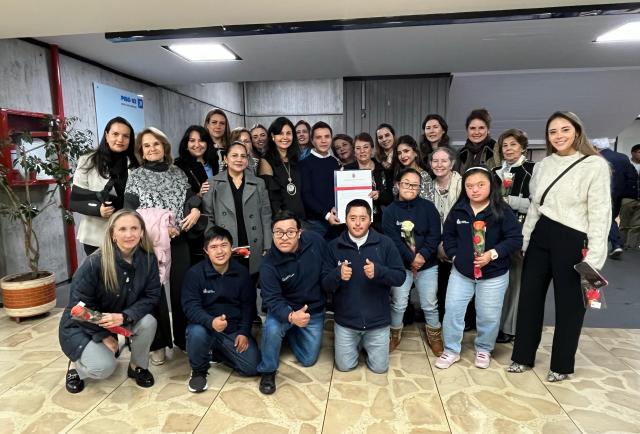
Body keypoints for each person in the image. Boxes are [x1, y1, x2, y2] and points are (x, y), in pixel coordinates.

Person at [509, 111, 611, 382]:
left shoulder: (594, 165)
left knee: (570, 304)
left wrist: (595, 258)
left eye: (565, 129)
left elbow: (600, 213)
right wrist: (525, 240)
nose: (559, 136)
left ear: (577, 131)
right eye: (553, 131)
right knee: (529, 299)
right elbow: (535, 206)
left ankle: (562, 364)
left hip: (573, 238)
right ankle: (522, 356)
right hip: (541, 235)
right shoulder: (543, 165)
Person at [59, 209, 160, 393]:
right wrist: (102, 335)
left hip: (118, 317)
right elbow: (78, 308)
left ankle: (137, 366)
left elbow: (151, 296)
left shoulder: (148, 259)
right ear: (113, 234)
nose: (129, 234)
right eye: (122, 229)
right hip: (83, 323)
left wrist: (125, 317)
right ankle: (76, 369)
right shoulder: (94, 263)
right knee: (103, 367)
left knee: (148, 322)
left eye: (134, 228)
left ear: (141, 232)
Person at [125, 127, 202, 362]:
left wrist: (195, 208)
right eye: (147, 145)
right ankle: (157, 343)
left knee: (182, 289)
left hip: (179, 239)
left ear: (164, 147)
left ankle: (183, 337)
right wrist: (160, 228)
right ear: (141, 150)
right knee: (153, 292)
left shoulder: (177, 172)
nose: (152, 149)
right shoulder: (135, 175)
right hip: (149, 244)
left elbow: (190, 198)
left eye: (156, 144)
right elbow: (131, 213)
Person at [435, 167, 522, 370]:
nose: (474, 190)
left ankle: (484, 348)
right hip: (462, 273)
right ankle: (451, 350)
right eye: (469, 186)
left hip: (494, 274)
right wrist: (455, 256)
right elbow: (448, 236)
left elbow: (515, 239)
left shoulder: (502, 210)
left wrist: (493, 254)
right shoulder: (459, 210)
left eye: (480, 185)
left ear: (491, 185)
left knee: (488, 315)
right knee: (453, 311)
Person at [324, 200, 405, 373]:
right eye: (353, 218)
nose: (358, 223)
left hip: (377, 322)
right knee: (344, 367)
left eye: (363, 218)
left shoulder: (385, 243)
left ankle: (364, 344)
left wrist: (380, 272)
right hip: (346, 323)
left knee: (380, 369)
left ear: (370, 220)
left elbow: (400, 277)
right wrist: (337, 274)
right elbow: (324, 284)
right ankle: (358, 344)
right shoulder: (333, 246)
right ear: (345, 219)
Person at [257, 211, 333, 394]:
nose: (284, 237)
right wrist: (291, 316)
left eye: (290, 232)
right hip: (285, 308)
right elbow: (272, 299)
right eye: (279, 232)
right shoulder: (268, 264)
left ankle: (290, 334)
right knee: (272, 328)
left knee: (308, 359)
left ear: (299, 233)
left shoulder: (315, 241)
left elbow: (328, 266)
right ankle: (268, 370)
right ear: (272, 234)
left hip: (312, 309)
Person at [182, 226, 260, 393]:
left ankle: (216, 351)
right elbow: (190, 307)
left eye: (224, 245)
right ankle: (198, 371)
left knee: (252, 367)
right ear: (206, 251)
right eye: (214, 247)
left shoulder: (242, 273)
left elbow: (248, 306)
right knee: (196, 332)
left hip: (232, 330)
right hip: (204, 327)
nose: (219, 251)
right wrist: (211, 322)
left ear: (231, 247)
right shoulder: (194, 274)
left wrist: (243, 332)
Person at [383, 169, 442, 355]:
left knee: (430, 303)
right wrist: (411, 259)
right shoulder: (390, 212)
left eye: (415, 185)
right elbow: (392, 241)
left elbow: (435, 235)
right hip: (401, 266)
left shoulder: (428, 208)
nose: (410, 187)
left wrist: (423, 255)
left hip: (427, 264)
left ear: (420, 188)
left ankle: (435, 335)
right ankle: (394, 334)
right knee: (399, 303)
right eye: (406, 183)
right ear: (398, 185)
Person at [202, 141, 272, 278]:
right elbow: (208, 217)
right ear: (226, 159)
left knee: (251, 281)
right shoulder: (212, 183)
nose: (239, 159)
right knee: (229, 281)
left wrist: (267, 245)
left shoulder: (258, 183)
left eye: (243, 156)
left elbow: (266, 215)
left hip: (253, 241)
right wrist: (215, 245)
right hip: (225, 242)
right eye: (234, 155)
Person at [71, 117, 139, 256]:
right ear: (107, 135)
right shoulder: (88, 161)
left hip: (130, 235)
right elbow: (76, 199)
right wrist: (98, 209)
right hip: (97, 236)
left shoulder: (136, 164)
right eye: (115, 134)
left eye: (125, 136)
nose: (120, 139)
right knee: (101, 270)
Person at [491, 129, 535, 343]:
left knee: (516, 281)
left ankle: (510, 328)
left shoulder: (532, 170)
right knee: (497, 281)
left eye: (513, 144)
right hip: (496, 232)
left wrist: (511, 202)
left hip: (521, 231)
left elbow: (538, 203)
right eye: (505, 145)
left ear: (523, 147)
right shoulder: (495, 171)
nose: (508, 149)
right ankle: (494, 325)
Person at [174, 125, 218, 266]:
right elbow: (179, 196)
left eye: (201, 140)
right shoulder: (178, 165)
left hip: (218, 217)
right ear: (186, 144)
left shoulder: (215, 162)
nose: (197, 145)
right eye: (192, 141)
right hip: (196, 223)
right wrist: (198, 195)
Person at [428, 147, 463, 322]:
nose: (439, 165)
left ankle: (463, 321)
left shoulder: (462, 185)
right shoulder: (428, 187)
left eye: (444, 161)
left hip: (459, 242)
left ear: (452, 163)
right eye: (435, 161)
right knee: (440, 286)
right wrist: (437, 244)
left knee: (459, 288)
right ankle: (442, 320)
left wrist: (448, 243)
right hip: (435, 243)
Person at [592, 138, 638, 259]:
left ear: (595, 147)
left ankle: (616, 244)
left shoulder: (595, 158)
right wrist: (628, 194)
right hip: (619, 194)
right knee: (610, 217)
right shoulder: (623, 157)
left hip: (602, 193)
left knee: (607, 218)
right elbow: (632, 176)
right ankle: (613, 242)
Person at [258, 117, 306, 223]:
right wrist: (283, 221)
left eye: (288, 133)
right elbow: (271, 198)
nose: (285, 137)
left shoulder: (296, 159)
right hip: (283, 221)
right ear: (272, 136)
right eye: (280, 133)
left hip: (301, 219)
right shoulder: (266, 161)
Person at [299, 121, 342, 238]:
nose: (323, 141)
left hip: (336, 219)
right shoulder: (304, 164)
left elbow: (337, 191)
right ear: (312, 141)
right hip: (315, 223)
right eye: (319, 137)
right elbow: (306, 195)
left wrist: (337, 207)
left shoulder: (334, 162)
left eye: (327, 136)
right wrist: (326, 215)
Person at [343, 132, 394, 231]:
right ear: (354, 151)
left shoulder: (383, 170)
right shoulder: (346, 170)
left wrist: (379, 195)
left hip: (378, 221)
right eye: (358, 148)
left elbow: (391, 198)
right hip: (353, 220)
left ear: (372, 149)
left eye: (366, 147)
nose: (362, 151)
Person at [392, 135, 435, 202]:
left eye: (406, 151)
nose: (402, 156)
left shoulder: (424, 177)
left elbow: (428, 204)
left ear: (415, 153)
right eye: (399, 153)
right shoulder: (399, 172)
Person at [457, 108, 499, 173]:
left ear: (488, 130)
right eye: (472, 128)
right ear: (467, 130)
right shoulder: (461, 153)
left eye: (481, 128)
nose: (476, 132)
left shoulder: (496, 150)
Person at [620, 144, 640, 249]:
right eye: (639, 152)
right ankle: (622, 244)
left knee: (637, 225)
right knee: (624, 224)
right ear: (633, 153)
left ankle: (632, 246)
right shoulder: (626, 164)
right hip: (627, 198)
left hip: (639, 198)